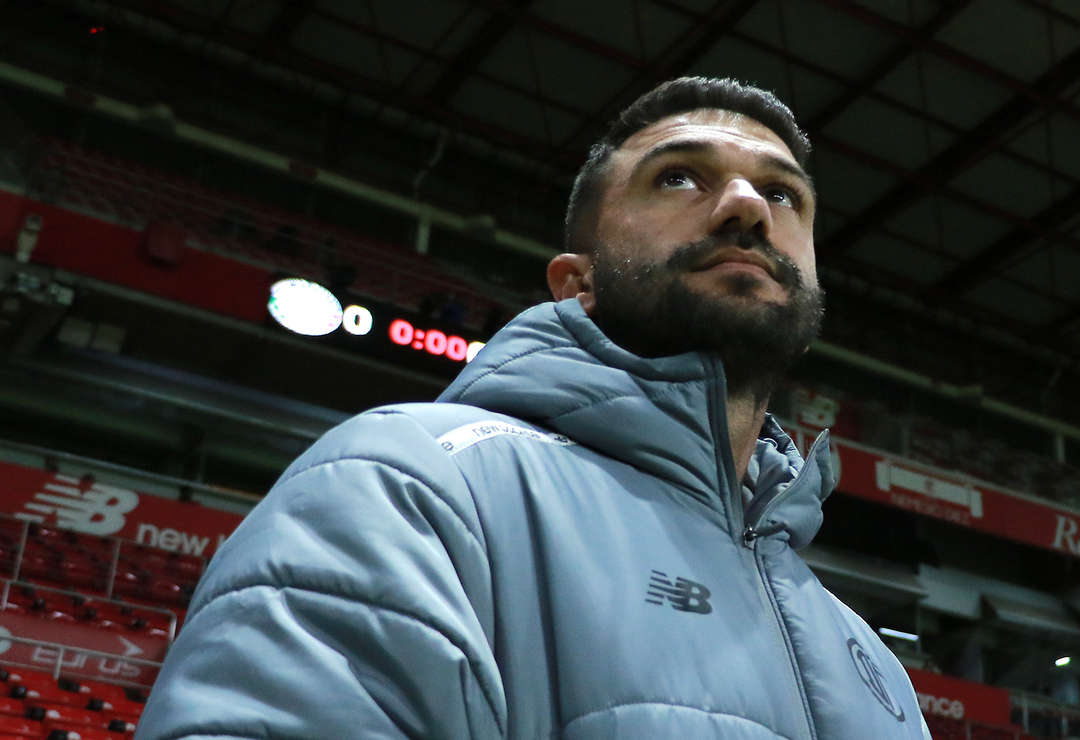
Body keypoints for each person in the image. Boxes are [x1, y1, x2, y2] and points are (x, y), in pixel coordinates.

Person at [138, 78, 931, 740]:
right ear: (574, 283)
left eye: (782, 193)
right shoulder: (414, 482)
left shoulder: (869, 659)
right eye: (679, 177)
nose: (746, 207)